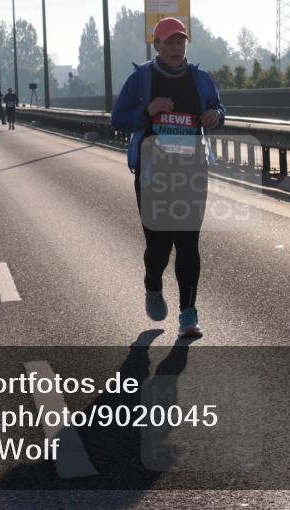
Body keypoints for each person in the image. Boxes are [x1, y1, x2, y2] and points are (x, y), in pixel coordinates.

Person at [111, 17, 224, 339]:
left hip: (191, 171)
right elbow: (118, 119)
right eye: (169, 42)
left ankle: (188, 314)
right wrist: (147, 111)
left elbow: (218, 110)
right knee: (159, 246)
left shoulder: (200, 79)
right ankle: (153, 285)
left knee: (188, 243)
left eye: (180, 42)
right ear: (157, 46)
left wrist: (216, 116)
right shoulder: (141, 79)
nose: (175, 48)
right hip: (152, 174)